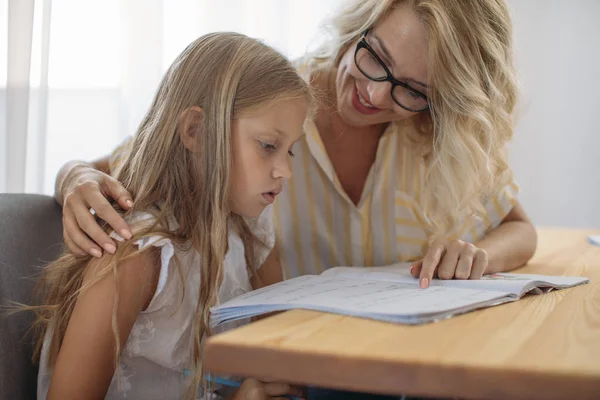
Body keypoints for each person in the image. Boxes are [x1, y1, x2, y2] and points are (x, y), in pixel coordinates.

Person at [55, 0, 536, 290]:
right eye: (376, 58)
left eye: (412, 90)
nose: (375, 94)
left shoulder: (434, 139)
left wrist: (480, 255)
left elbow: (520, 229)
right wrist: (74, 177)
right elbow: (112, 167)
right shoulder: (263, 103)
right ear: (360, 23)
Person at [31, 32, 312, 399]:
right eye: (268, 146)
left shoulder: (249, 227)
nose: (285, 171)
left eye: (289, 151)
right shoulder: (134, 258)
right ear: (195, 131)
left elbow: (278, 356)